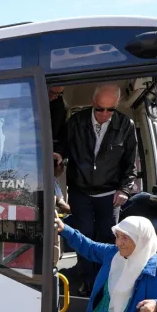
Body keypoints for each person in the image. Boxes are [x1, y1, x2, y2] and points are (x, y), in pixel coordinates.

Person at [55, 84, 138, 295]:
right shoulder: (76, 121)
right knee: (83, 237)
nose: (104, 114)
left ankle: (105, 282)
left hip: (109, 193)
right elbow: (63, 145)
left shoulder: (125, 125)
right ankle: (86, 280)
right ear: (93, 103)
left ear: (116, 106)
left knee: (109, 239)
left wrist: (124, 190)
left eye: (110, 109)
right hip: (80, 190)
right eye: (100, 108)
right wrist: (58, 154)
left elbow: (130, 164)